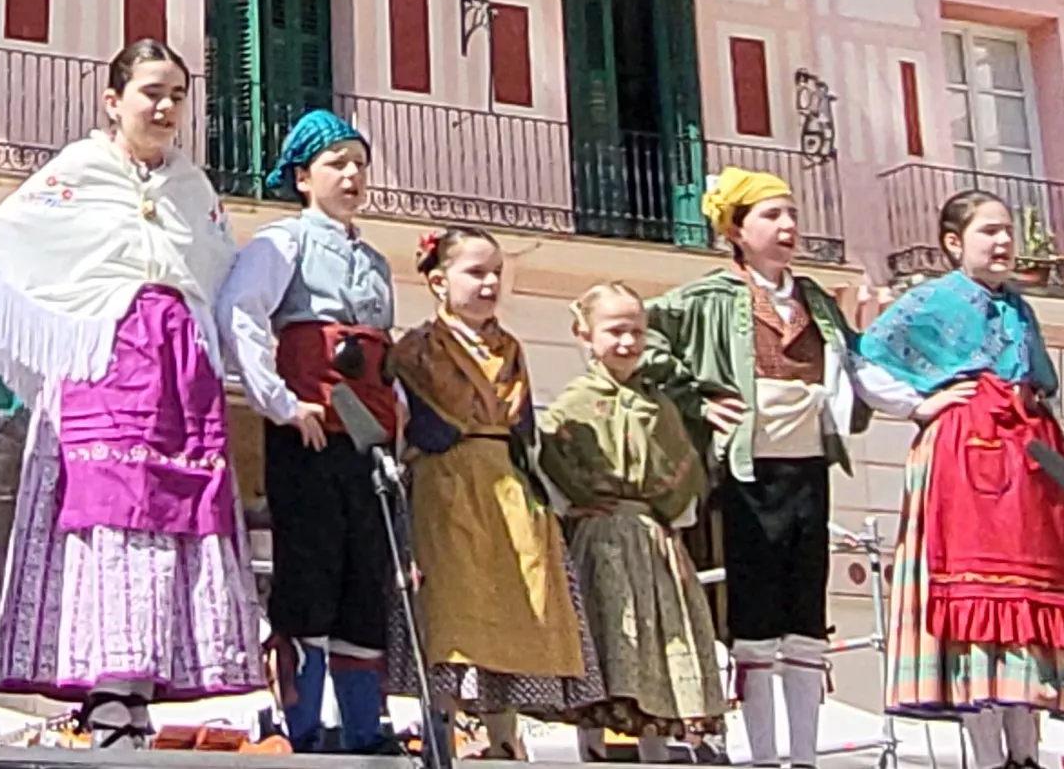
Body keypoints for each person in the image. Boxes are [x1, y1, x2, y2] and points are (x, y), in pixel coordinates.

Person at [0, 39, 264, 746]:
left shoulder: (195, 190)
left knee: (174, 523)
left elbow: (217, 278)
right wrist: (63, 338)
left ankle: (149, 682)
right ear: (112, 99)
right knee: (107, 523)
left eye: (178, 94)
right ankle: (105, 688)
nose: (164, 106)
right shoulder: (77, 173)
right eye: (151, 90)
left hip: (180, 379)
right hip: (101, 371)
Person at [853, 189, 1064, 769]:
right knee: (976, 594)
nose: (1003, 242)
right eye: (988, 232)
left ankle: (1025, 753)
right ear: (954, 243)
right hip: (964, 453)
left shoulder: (1019, 307)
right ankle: (984, 755)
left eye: (1007, 231)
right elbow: (866, 359)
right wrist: (918, 406)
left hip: (1027, 454)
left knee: (1026, 600)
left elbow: (1040, 381)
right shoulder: (929, 301)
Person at [639, 166, 863, 769]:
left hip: (809, 467)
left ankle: (806, 756)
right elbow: (644, 334)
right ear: (735, 229)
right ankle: (764, 755)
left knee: (807, 613)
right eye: (771, 214)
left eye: (790, 213)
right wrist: (698, 397)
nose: (787, 225)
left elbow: (855, 365)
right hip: (748, 471)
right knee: (756, 612)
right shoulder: (710, 296)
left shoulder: (816, 298)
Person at [211, 107, 403, 755]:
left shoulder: (375, 260)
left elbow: (385, 357)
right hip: (310, 430)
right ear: (302, 176)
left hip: (366, 438)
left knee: (363, 578)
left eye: (359, 163)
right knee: (309, 574)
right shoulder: (281, 242)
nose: (351, 174)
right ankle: (300, 725)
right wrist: (280, 401)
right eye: (336, 163)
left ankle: (362, 728)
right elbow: (240, 312)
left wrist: (390, 434)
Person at [391, 225, 590, 759]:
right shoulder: (415, 348)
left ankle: (505, 739)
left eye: (495, 272)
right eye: (475, 272)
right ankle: (441, 735)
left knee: (516, 602)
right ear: (438, 281)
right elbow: (413, 424)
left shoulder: (512, 347)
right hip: (446, 481)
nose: (489, 283)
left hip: (508, 483)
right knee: (450, 610)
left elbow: (523, 426)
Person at [540, 282, 727, 762]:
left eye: (637, 332)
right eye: (616, 331)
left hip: (652, 539)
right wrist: (583, 498)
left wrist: (662, 508)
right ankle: (592, 748)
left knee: (659, 638)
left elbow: (684, 469)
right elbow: (552, 461)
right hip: (598, 537)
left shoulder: (660, 406)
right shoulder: (571, 404)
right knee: (603, 635)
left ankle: (656, 750)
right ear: (584, 333)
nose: (627, 342)